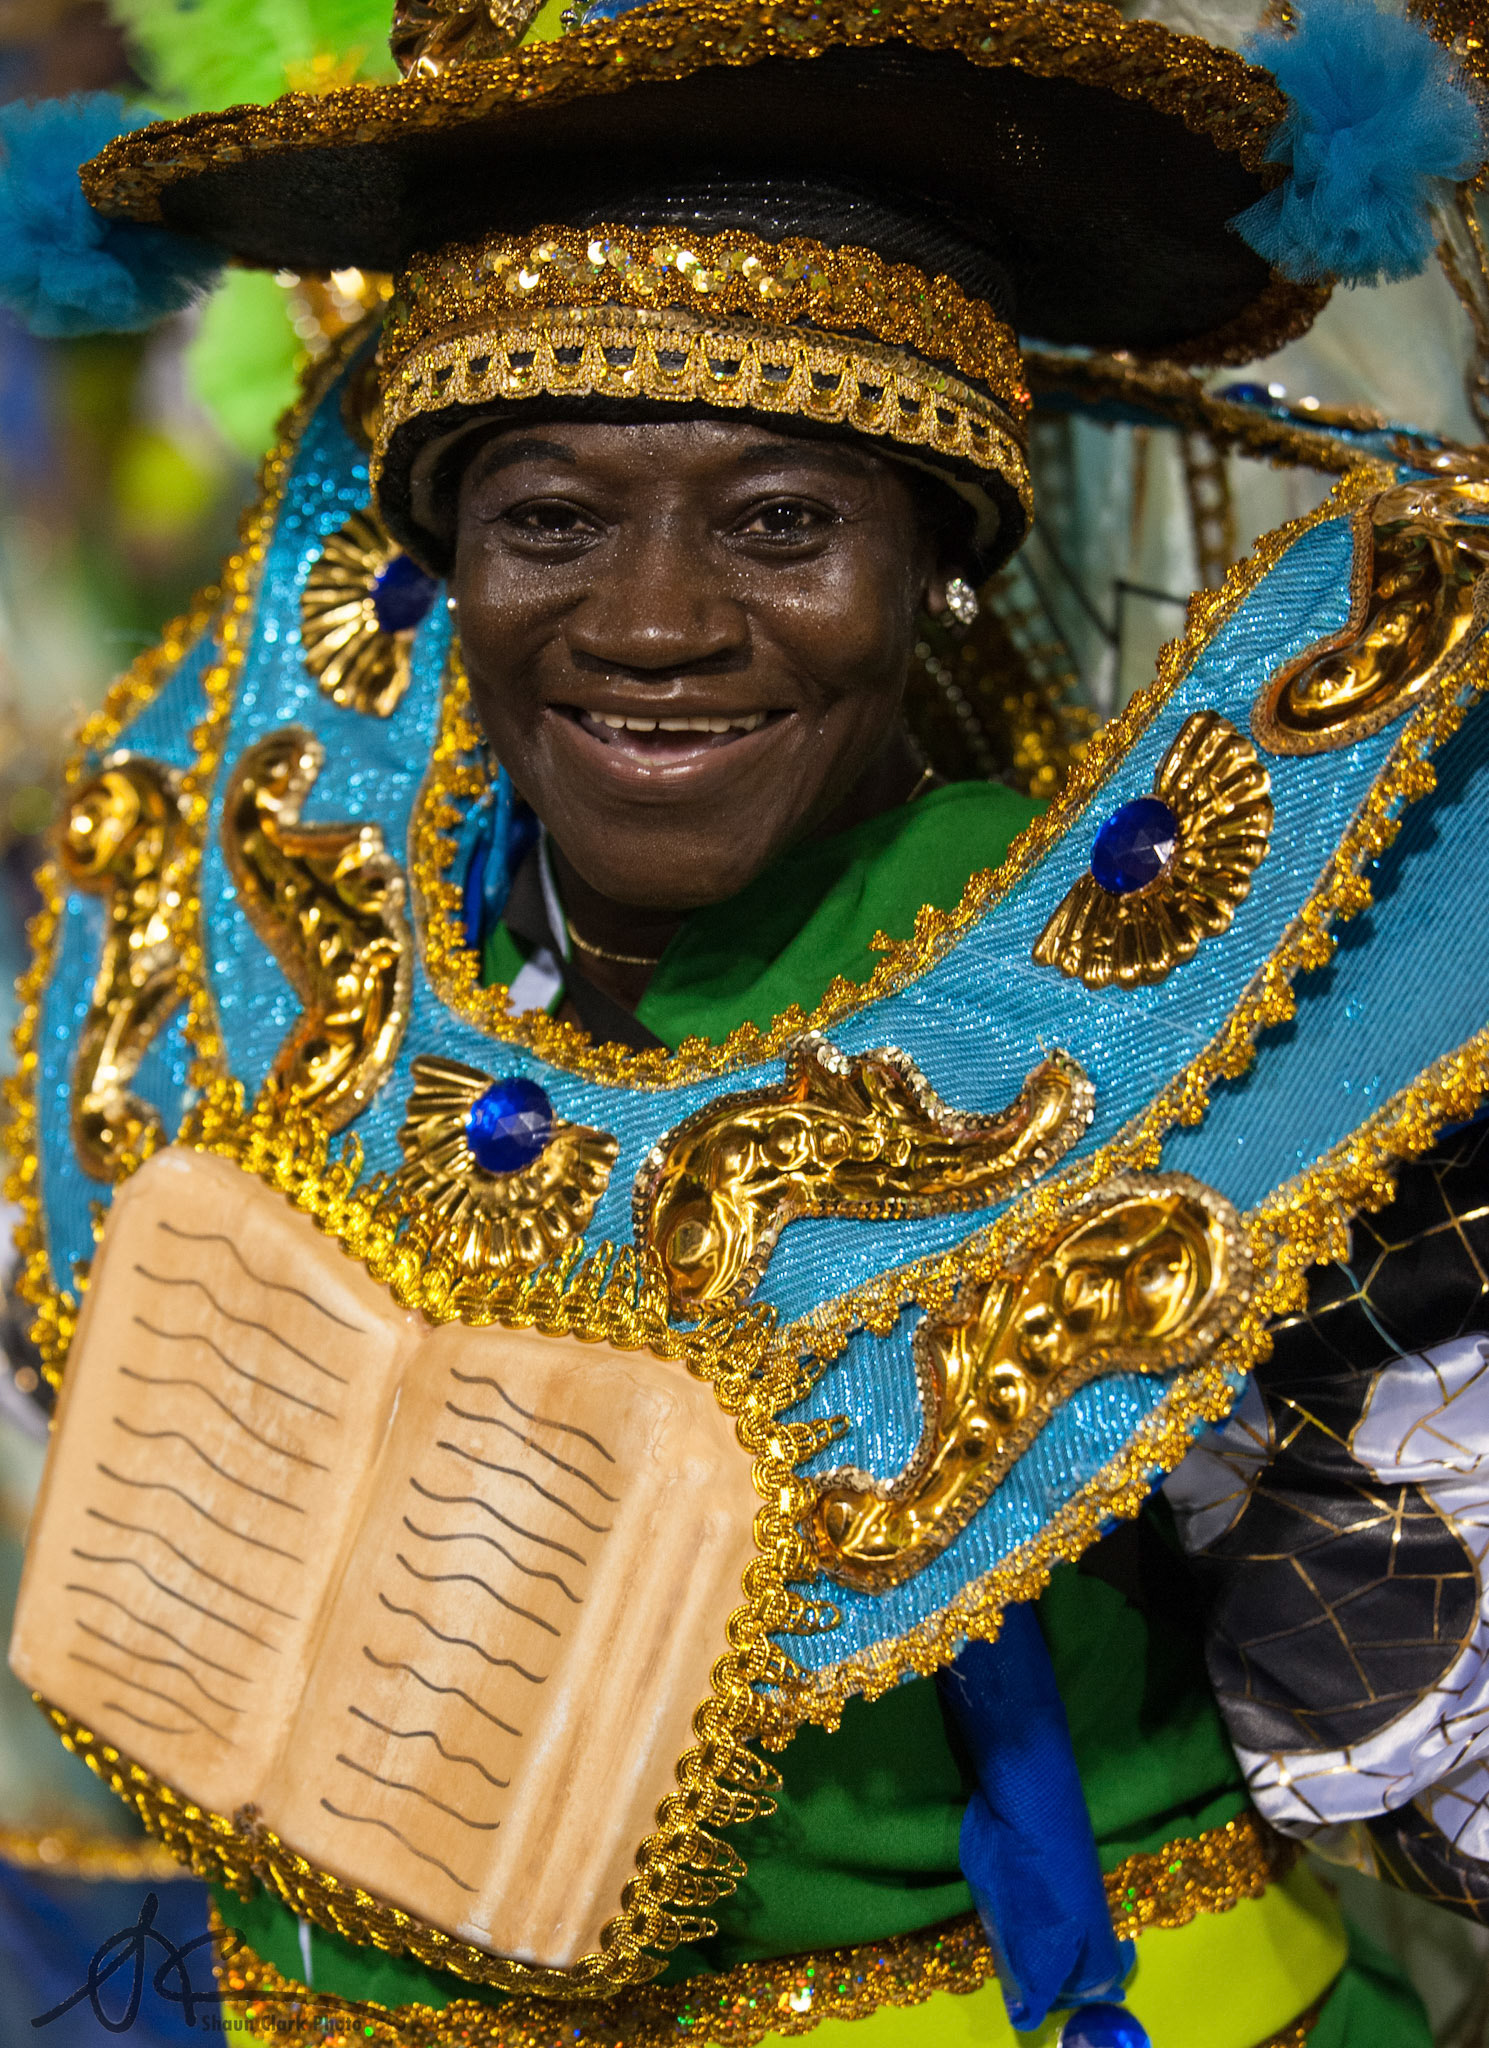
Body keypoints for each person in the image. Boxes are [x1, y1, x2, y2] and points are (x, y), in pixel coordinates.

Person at [3, 1, 1489, 2044]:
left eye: (784, 524)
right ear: (437, 562)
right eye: (549, 521)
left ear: (935, 570)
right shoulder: (281, 928)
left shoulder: (1236, 983)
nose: (652, 621)